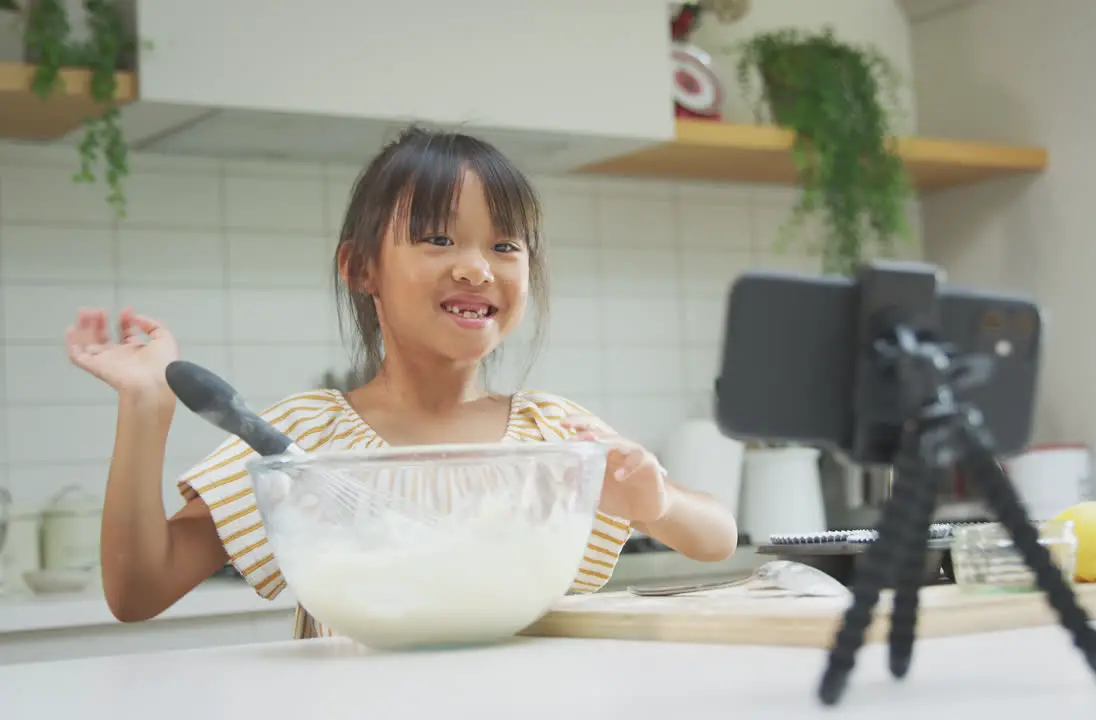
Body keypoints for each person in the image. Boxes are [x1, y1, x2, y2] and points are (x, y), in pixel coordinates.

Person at [65, 128, 740, 635]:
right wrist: (146, 403)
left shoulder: (554, 435)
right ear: (360, 269)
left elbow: (716, 537)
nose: (477, 268)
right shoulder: (302, 440)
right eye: (439, 240)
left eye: (505, 246)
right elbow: (139, 591)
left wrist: (656, 504)